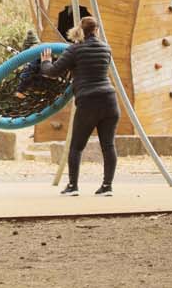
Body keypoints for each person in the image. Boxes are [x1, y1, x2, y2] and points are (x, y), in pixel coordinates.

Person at [39, 15, 118, 197]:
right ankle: (107, 186)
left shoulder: (75, 49)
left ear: (80, 30)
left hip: (88, 101)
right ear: (97, 30)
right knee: (108, 145)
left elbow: (52, 72)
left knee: (76, 146)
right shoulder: (106, 49)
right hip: (110, 100)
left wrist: (45, 61)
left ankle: (73, 186)